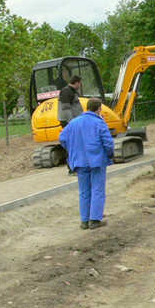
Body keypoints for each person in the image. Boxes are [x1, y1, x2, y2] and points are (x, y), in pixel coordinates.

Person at [58, 98, 114, 229]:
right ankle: (94, 220)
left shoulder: (74, 122)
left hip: (79, 161)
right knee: (97, 189)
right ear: (99, 109)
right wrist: (109, 154)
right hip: (97, 161)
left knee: (84, 191)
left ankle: (84, 221)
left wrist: (73, 150)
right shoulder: (99, 122)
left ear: (87, 108)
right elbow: (108, 142)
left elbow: (62, 139)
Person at [58, 75, 84, 175]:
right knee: (72, 145)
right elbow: (65, 109)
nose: (80, 85)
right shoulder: (66, 91)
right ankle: (72, 169)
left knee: (76, 145)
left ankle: (76, 167)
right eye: (80, 83)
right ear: (76, 82)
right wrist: (72, 123)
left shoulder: (72, 91)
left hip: (74, 122)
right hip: (69, 123)